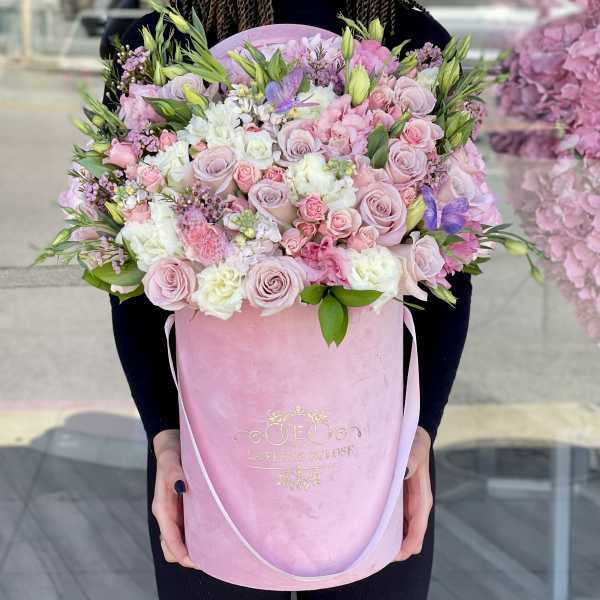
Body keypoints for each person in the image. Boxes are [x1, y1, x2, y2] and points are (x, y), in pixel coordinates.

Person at [102, 1, 472, 598]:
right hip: (209, 454)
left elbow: (449, 268)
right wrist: (165, 440)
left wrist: (422, 435)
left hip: (373, 453)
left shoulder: (410, 38)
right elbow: (133, 278)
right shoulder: (162, 45)